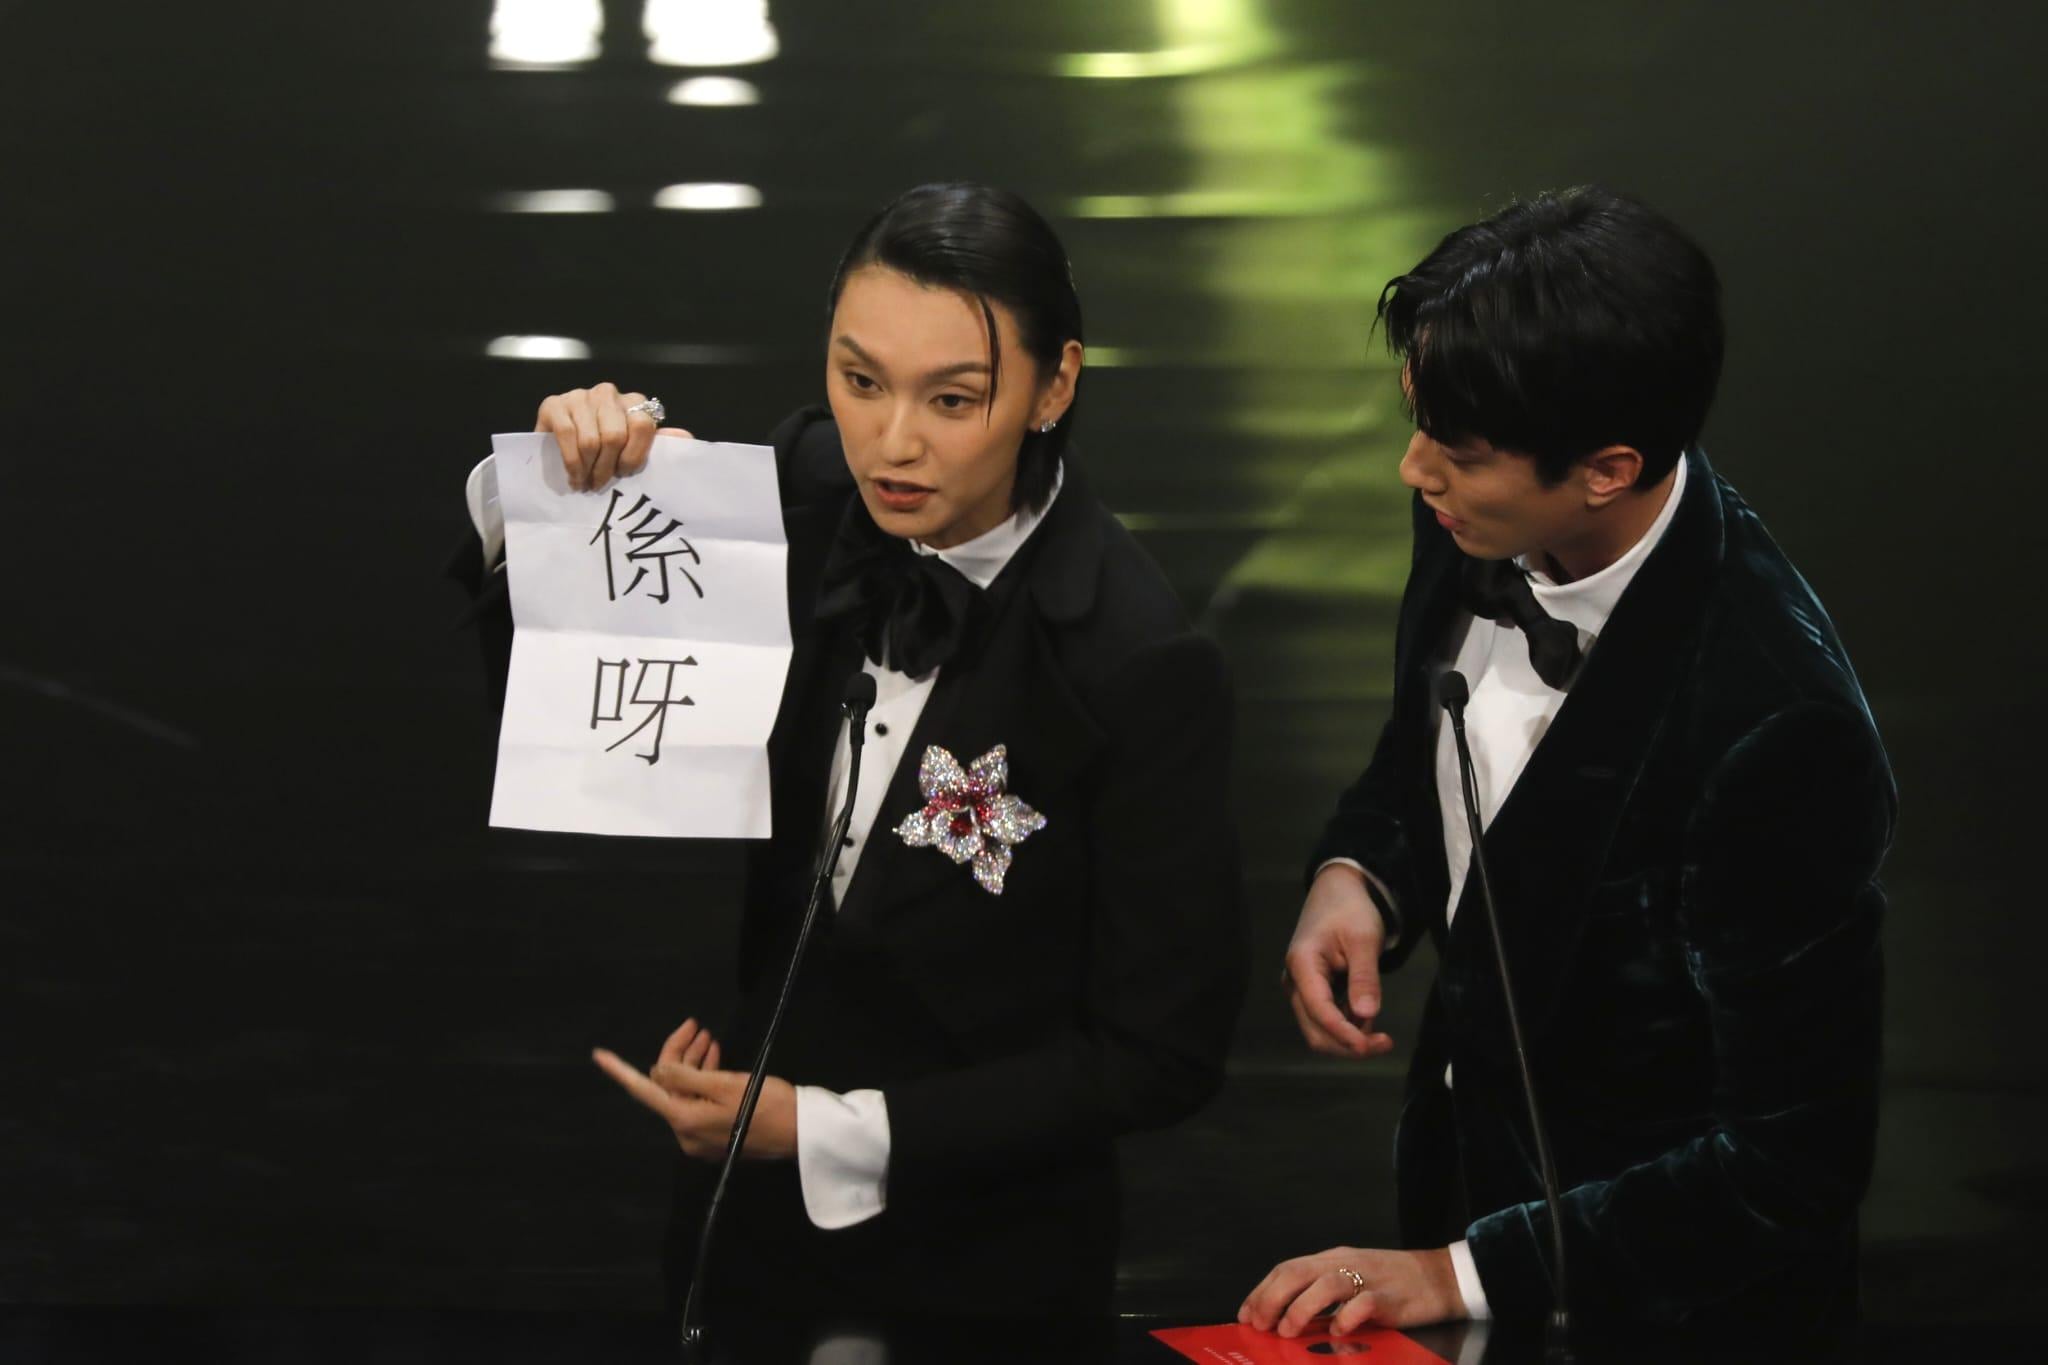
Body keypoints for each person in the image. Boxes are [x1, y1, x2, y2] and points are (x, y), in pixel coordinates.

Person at [452, 182, 1247, 1324]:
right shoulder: (809, 490)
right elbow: (579, 722)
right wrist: (547, 486)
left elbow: (1161, 1054)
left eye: (953, 398)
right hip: (740, 1237)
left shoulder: (1135, 658)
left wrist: (821, 1128)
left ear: (1054, 385)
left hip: (983, 1269)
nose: (894, 441)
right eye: (860, 380)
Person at [1239, 187, 1894, 1347]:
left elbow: (1788, 1162)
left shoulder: (1777, 727)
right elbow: (1432, 738)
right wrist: (1363, 870)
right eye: (1417, 425)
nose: (1410, 470)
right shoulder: (1473, 507)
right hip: (1459, 1220)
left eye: (1453, 451)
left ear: (1605, 470)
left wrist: (1458, 1273)